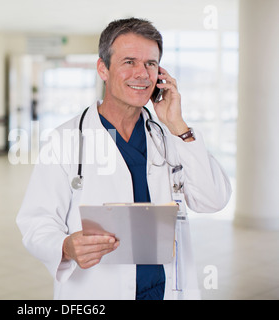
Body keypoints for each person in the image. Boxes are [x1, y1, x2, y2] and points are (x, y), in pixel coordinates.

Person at [16, 17, 231, 300]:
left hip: (163, 288)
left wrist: (178, 125)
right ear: (103, 68)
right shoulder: (65, 139)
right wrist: (66, 246)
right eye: (129, 62)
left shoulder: (171, 135)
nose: (142, 74)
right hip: (97, 290)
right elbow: (35, 222)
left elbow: (213, 200)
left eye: (150, 64)